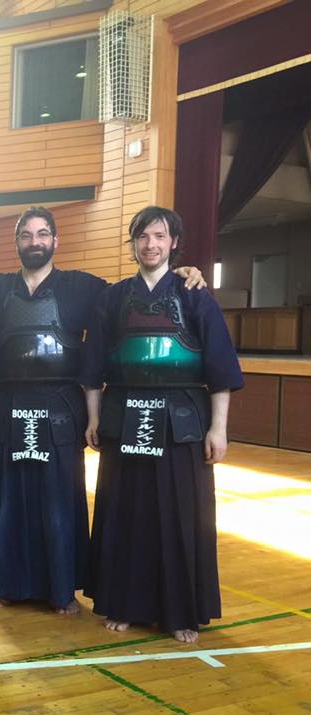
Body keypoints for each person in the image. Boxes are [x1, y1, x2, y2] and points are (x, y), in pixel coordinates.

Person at [0, 207, 207, 615]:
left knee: (58, 501)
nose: (35, 242)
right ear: (17, 242)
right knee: (9, 500)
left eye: (43, 234)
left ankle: (61, 589)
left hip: (60, 407)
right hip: (10, 404)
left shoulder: (82, 287)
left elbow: (137, 294)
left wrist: (180, 275)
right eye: (27, 235)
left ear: (55, 240)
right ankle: (10, 583)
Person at [80, 206, 243, 643]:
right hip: (124, 416)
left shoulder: (195, 296)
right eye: (142, 237)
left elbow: (221, 369)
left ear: (173, 243)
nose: (150, 245)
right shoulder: (112, 298)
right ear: (133, 243)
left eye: (159, 236)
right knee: (126, 512)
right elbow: (93, 366)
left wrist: (218, 428)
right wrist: (95, 417)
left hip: (183, 421)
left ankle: (180, 612)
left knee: (181, 516)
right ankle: (123, 603)